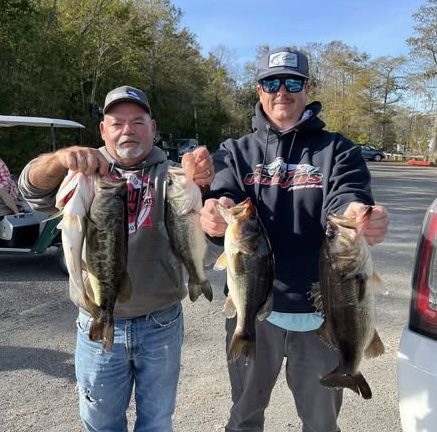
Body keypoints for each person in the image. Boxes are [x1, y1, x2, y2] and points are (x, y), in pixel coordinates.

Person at [200, 46, 389, 432]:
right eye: (271, 83)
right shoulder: (234, 151)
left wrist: (358, 214)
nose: (281, 91)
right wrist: (215, 214)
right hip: (254, 312)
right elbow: (223, 197)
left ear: (307, 88)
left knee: (321, 423)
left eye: (292, 82)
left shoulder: (338, 149)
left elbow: (347, 195)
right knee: (244, 417)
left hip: (325, 315)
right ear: (259, 90)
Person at [18, 85, 214, 432]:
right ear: (103, 130)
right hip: (95, 319)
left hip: (161, 324)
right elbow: (30, 190)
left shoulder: (170, 176)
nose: (128, 130)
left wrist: (202, 182)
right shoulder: (84, 172)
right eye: (117, 122)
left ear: (153, 128)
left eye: (138, 122)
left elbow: (203, 223)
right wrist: (59, 159)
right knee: (101, 423)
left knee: (157, 422)